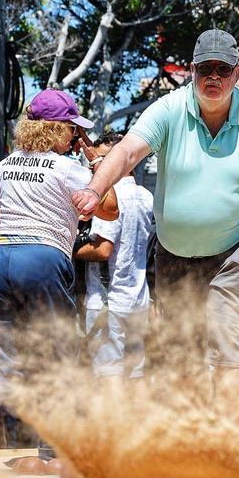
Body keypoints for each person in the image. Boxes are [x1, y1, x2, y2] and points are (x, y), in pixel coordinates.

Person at [71, 30, 239, 409]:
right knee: (181, 351)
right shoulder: (169, 109)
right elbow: (127, 152)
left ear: (238, 73)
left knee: (229, 341)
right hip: (174, 253)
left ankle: (229, 441)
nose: (213, 77)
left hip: (234, 250)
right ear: (191, 71)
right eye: (205, 69)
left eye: (222, 69)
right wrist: (95, 190)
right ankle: (192, 441)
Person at [0, 90, 118, 470]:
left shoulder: (5, 165)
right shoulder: (68, 168)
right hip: (44, 256)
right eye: (74, 130)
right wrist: (96, 163)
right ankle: (53, 450)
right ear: (59, 130)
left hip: (2, 256)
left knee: (2, 357)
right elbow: (109, 208)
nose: (76, 137)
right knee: (57, 354)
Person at [77, 132, 156, 380]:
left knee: (108, 374)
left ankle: (113, 420)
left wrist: (65, 247)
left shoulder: (110, 198)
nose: (95, 166)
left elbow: (102, 249)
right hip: (138, 298)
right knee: (135, 374)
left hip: (108, 302)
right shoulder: (146, 195)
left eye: (100, 159)